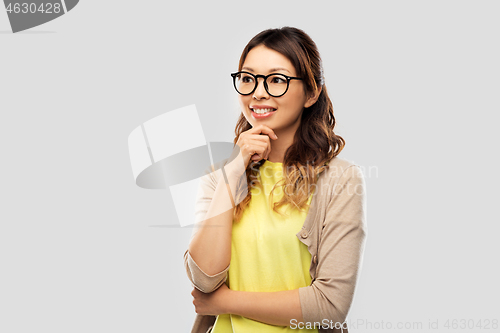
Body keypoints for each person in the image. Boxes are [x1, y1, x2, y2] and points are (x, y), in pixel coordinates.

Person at [183, 26, 367, 333]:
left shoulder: (341, 179)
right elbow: (203, 278)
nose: (258, 92)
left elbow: (330, 307)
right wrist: (233, 171)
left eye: (277, 80)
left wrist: (223, 302)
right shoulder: (219, 178)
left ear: (312, 93)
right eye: (247, 78)